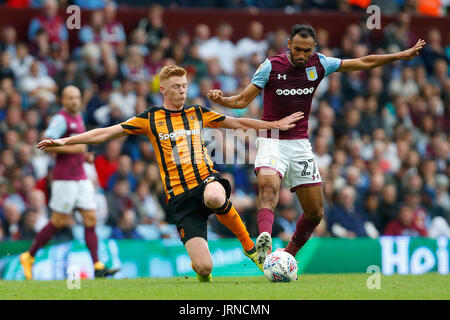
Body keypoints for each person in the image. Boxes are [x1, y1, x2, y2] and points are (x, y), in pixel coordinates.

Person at [36, 65, 303, 282]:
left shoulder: (198, 113)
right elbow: (106, 132)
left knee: (213, 195)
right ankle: (203, 275)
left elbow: (239, 122)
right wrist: (65, 141)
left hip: (206, 180)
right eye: (176, 87)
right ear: (163, 89)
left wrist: (274, 124)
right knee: (204, 267)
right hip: (179, 198)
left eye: (185, 86)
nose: (182, 91)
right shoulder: (149, 119)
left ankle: (250, 249)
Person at [207, 24, 426, 263]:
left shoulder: (321, 63)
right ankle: (265, 241)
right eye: (298, 49)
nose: (302, 55)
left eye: (307, 51)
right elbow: (242, 101)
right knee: (269, 188)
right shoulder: (271, 66)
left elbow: (362, 62)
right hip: (272, 138)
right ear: (288, 45)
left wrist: (399, 56)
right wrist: (223, 99)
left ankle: (287, 257)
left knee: (314, 213)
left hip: (300, 145)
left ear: (314, 48)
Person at [20, 85, 119, 280]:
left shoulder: (79, 118)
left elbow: (78, 148)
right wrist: (77, 150)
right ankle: (29, 256)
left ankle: (98, 265)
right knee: (59, 221)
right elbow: (45, 144)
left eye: (77, 97)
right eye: (71, 98)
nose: (75, 101)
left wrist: (84, 157)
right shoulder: (60, 119)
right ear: (63, 100)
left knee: (90, 218)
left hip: (80, 176)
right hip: (64, 179)